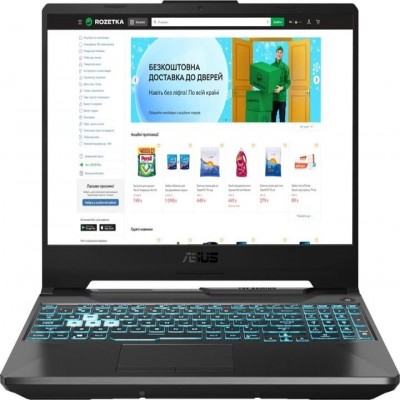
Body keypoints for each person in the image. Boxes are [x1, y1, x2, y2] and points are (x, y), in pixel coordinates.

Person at [271, 45, 291, 123]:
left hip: (282, 98)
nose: (279, 54)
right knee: (272, 119)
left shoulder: (286, 67)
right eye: (278, 52)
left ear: (282, 54)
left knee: (282, 120)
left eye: (281, 52)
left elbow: (288, 82)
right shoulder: (271, 66)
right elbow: (269, 81)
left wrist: (281, 88)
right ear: (275, 53)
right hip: (273, 98)